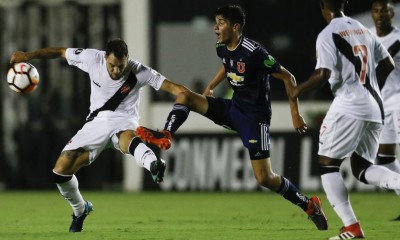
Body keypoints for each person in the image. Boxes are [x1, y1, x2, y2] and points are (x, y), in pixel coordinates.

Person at [136, 5, 328, 231]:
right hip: (233, 108)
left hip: (255, 118)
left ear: (235, 27)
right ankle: (166, 135)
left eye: (221, 22)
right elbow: (227, 64)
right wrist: (211, 85)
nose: (216, 27)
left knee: (264, 178)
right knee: (186, 96)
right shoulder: (222, 46)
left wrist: (295, 114)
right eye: (216, 22)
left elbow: (288, 77)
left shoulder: (255, 52)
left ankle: (309, 205)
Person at [9, 39, 189, 232]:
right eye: (112, 65)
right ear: (105, 58)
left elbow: (176, 89)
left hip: (124, 120)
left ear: (127, 59)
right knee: (60, 170)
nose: (117, 71)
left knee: (128, 138)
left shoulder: (140, 71)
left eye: (121, 66)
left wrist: (190, 98)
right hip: (96, 123)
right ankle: (80, 209)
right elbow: (60, 51)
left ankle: (153, 164)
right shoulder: (91, 58)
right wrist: (28, 56)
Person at [288, 0, 400, 239]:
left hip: (349, 104)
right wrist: (369, 89)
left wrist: (298, 90)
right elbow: (388, 64)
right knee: (361, 168)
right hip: (375, 105)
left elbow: (322, 74)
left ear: (321, 6)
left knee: (327, 164)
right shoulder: (362, 28)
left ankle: (352, 227)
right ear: (344, 3)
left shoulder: (327, 34)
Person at [370, 0, 400, 221]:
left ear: (392, 14)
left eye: (384, 11)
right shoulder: (367, 35)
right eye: (376, 11)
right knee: (385, 157)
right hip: (380, 103)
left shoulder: (398, 38)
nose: (380, 15)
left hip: (399, 100)